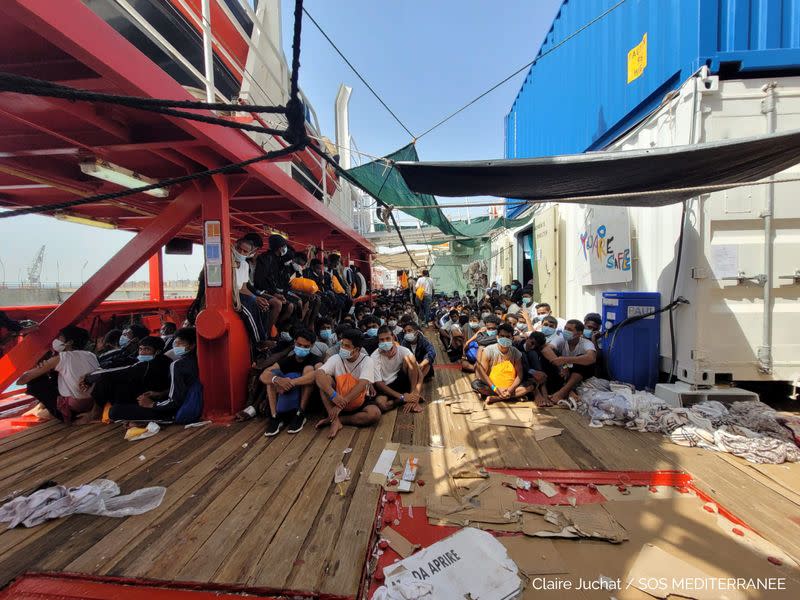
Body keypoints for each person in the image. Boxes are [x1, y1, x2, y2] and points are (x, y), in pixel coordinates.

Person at [109, 327, 200, 422]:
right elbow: (184, 389)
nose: (176, 346)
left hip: (174, 411)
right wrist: (161, 394)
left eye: (180, 343)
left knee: (115, 411)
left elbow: (174, 401)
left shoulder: (177, 365)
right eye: (175, 343)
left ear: (192, 345)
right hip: (187, 404)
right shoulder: (196, 361)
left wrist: (151, 404)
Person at [17, 325, 99, 423]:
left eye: (60, 337)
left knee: (34, 381)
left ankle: (57, 413)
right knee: (56, 373)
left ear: (69, 342)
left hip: (75, 409)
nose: (57, 340)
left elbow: (23, 380)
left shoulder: (62, 357)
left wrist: (37, 367)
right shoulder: (91, 355)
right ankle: (41, 408)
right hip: (92, 404)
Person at [85, 336, 172, 420]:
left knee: (114, 408)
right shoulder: (166, 360)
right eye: (140, 349)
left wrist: (89, 378)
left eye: (147, 349)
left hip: (151, 401)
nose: (142, 352)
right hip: (149, 395)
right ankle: (95, 413)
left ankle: (95, 414)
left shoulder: (148, 364)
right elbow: (122, 362)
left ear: (157, 352)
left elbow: (123, 371)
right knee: (113, 380)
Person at [314, 328, 381, 438]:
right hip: (336, 399)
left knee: (375, 414)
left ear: (357, 349)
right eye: (342, 344)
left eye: (347, 346)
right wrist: (333, 395)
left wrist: (342, 403)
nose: (343, 348)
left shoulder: (367, 360)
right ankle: (334, 420)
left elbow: (362, 384)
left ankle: (336, 419)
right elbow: (318, 373)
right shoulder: (336, 358)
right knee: (324, 380)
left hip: (356, 401)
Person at [260, 328, 321, 436]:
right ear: (294, 342)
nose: (302, 348)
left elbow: (320, 373)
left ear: (312, 346)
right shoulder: (287, 360)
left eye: (306, 346)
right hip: (285, 397)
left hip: (306, 399)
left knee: (309, 370)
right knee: (272, 375)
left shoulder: (315, 359)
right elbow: (264, 375)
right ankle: (275, 417)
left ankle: (300, 414)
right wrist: (278, 380)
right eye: (299, 344)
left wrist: (291, 382)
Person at [471, 323, 530, 404]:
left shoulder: (516, 352)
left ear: (512, 338)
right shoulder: (488, 350)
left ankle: (497, 398)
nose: (504, 338)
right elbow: (483, 374)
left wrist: (510, 389)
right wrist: (496, 388)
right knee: (476, 384)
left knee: (531, 385)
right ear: (497, 337)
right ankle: (512, 396)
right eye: (502, 336)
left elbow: (520, 374)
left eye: (508, 337)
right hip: (493, 385)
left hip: (510, 386)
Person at [541, 319, 597, 402]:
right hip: (563, 371)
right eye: (565, 328)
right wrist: (563, 366)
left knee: (582, 359)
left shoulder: (586, 343)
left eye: (570, 330)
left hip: (578, 373)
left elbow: (591, 358)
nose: (566, 331)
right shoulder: (561, 339)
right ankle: (569, 392)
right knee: (549, 356)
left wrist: (566, 360)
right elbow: (546, 350)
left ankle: (562, 392)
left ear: (579, 333)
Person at [251, 234, 295, 337]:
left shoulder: (278, 260)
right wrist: (274, 293)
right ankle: (267, 335)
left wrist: (277, 292)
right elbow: (260, 281)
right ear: (280, 248)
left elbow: (278, 280)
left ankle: (278, 329)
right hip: (260, 291)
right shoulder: (265, 259)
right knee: (277, 304)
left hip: (272, 291)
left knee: (290, 306)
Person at [372, 325, 423, 414]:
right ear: (378, 341)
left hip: (401, 382)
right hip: (386, 387)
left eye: (388, 338)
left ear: (393, 337)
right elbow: (379, 383)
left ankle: (410, 396)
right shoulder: (374, 356)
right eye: (382, 340)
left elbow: (420, 374)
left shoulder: (403, 350)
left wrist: (415, 394)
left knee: (410, 359)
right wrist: (402, 397)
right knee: (381, 404)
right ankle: (403, 399)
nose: (385, 342)